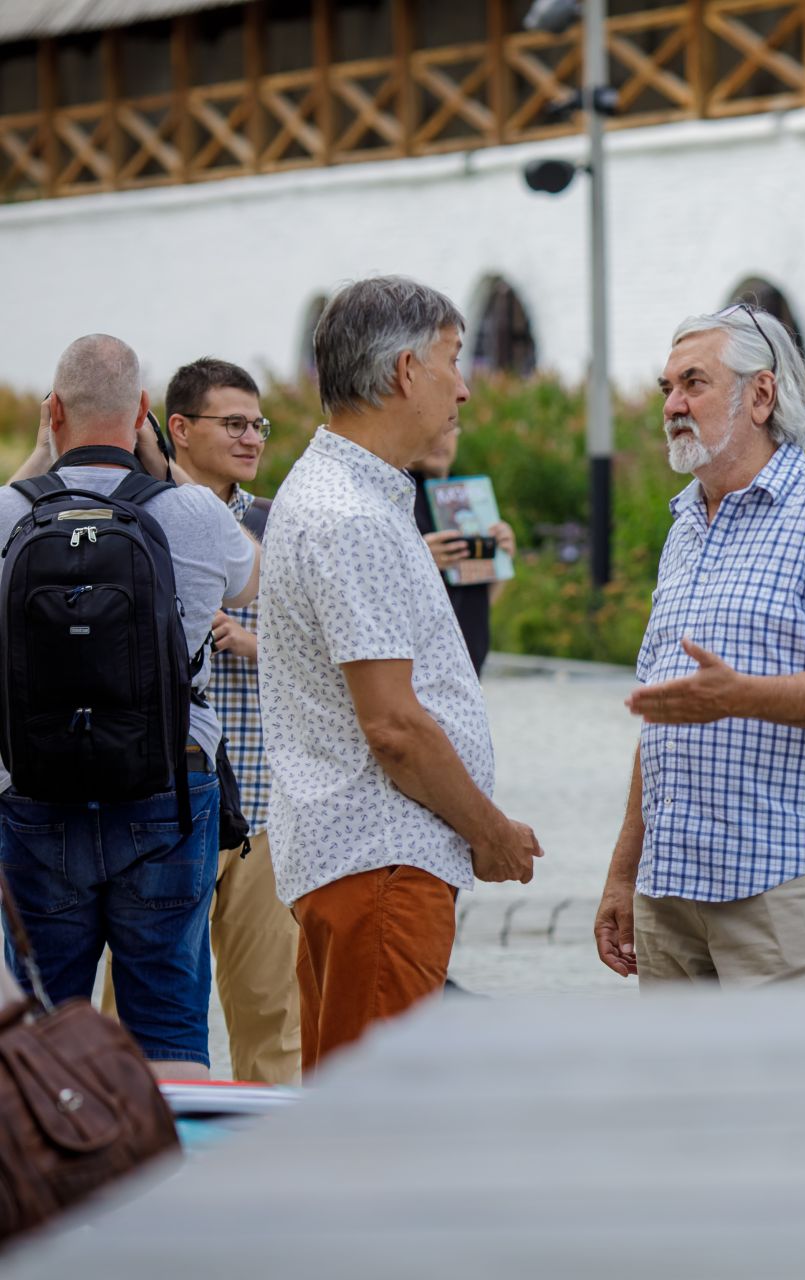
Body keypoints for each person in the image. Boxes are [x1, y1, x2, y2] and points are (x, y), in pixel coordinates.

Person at [258, 277, 543, 1073]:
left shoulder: (344, 495)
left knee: (348, 1116)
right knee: (374, 1132)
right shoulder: (351, 513)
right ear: (404, 371)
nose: (464, 387)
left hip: (361, 860)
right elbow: (393, 726)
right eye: (454, 361)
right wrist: (489, 832)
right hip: (381, 861)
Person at [593, 305, 805, 987]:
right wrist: (623, 872)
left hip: (779, 880)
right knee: (681, 1097)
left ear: (761, 395)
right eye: (666, 388)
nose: (672, 404)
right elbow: (665, 718)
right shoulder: (684, 526)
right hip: (671, 884)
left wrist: (743, 697)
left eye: (693, 384)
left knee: (773, 1094)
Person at [0, 335, 259, 1080]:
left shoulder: (11, 512)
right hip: (168, 794)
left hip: (37, 797)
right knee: (170, 1022)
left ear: (54, 413)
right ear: (144, 412)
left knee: (42, 1024)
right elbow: (253, 581)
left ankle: (55, 1183)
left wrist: (33, 465)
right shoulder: (193, 514)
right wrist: (171, 474)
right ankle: (173, 1183)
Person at [164, 357, 301, 1083]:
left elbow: (335, 651)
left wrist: (256, 642)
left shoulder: (280, 522)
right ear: (178, 430)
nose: (251, 438)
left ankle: (274, 1175)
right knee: (148, 1014)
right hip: (166, 805)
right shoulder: (140, 519)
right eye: (234, 424)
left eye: (258, 425)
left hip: (265, 809)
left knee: (274, 1017)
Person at [410, 424, 517, 677]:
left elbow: (482, 600)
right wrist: (418, 557)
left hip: (469, 656)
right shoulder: (398, 497)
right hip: (420, 661)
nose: (442, 440)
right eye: (435, 428)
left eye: (451, 429)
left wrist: (501, 558)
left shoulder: (470, 496)